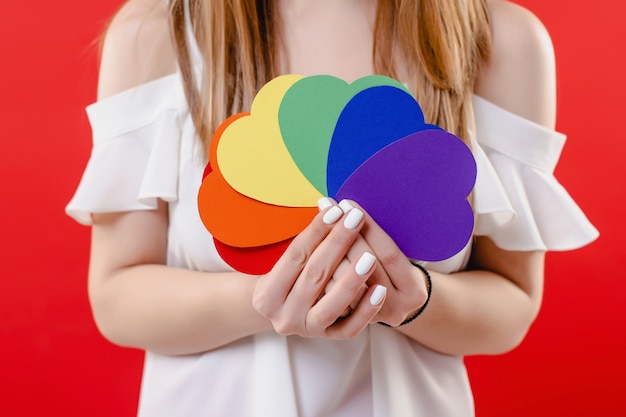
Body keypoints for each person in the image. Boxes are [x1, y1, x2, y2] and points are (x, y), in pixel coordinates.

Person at [66, 0, 599, 416]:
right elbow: (116, 296)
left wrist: (413, 301)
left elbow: (513, 304)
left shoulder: (501, 42)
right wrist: (265, 299)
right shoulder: (156, 35)